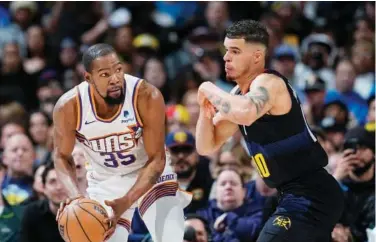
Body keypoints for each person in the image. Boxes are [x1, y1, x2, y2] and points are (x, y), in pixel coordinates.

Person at [195, 20, 344, 242]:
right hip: (289, 194)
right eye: (226, 50)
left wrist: (207, 87)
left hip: (311, 192)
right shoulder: (237, 96)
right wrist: (203, 108)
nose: (226, 57)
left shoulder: (269, 83)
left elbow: (246, 112)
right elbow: (206, 145)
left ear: (256, 56)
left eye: (235, 51)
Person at [53, 43, 191, 242]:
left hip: (149, 175)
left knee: (170, 236)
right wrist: (76, 197)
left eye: (118, 69)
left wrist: (127, 201)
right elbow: (61, 155)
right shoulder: (69, 106)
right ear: (88, 78)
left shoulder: (146, 95)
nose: (115, 79)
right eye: (105, 74)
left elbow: (157, 159)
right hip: (105, 180)